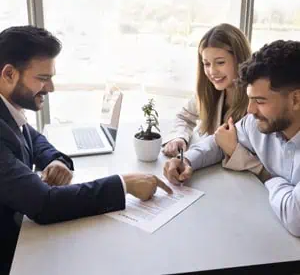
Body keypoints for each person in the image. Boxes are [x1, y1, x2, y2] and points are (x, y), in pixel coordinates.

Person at [0, 26, 172, 274]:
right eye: (43, 78)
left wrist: (56, 160)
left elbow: (34, 139)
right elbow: (45, 205)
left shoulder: (9, 110)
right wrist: (124, 184)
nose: (51, 88)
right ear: (8, 74)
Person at [163, 40, 300, 237]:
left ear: (296, 99)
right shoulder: (256, 122)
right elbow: (220, 141)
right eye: (250, 99)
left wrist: (270, 178)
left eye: (260, 101)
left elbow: (295, 218)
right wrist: (186, 160)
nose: (250, 110)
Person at [162, 23, 251, 157]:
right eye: (207, 64)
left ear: (240, 60)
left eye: (220, 62)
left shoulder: (257, 100)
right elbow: (183, 117)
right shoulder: (209, 92)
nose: (212, 71)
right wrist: (179, 137)